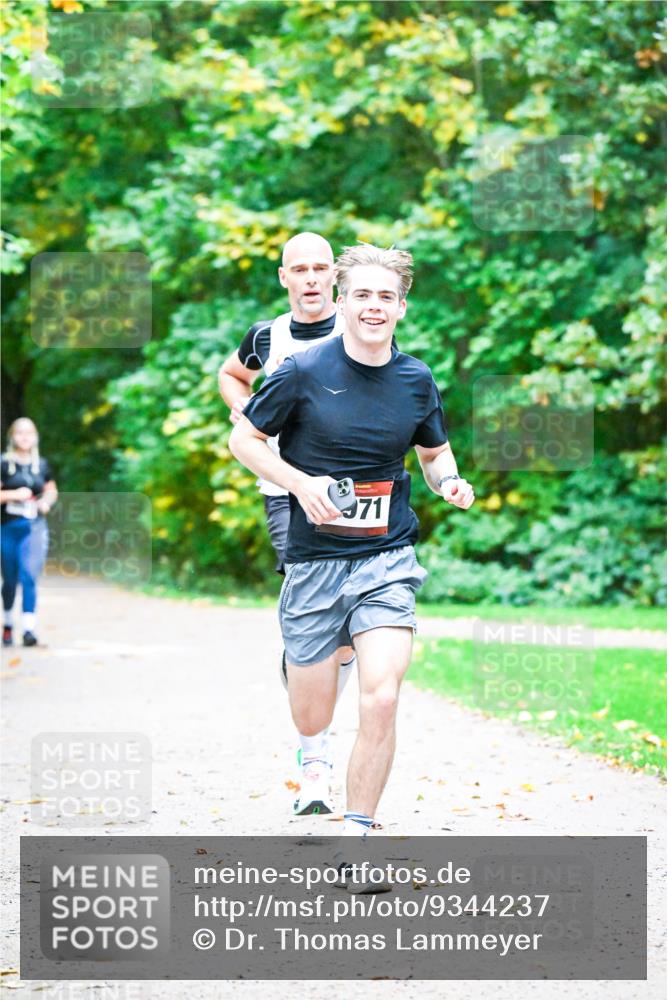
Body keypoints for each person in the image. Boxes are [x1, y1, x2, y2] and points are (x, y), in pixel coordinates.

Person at [229, 243, 475, 868]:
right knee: (312, 712)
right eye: (361, 294)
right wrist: (298, 483)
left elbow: (432, 454)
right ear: (342, 302)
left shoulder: (416, 379)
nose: (373, 306)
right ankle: (311, 709)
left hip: (386, 558)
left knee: (382, 696)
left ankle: (358, 839)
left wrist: (449, 481)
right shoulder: (301, 370)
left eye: (386, 296)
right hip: (314, 563)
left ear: (401, 307)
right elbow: (245, 439)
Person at [219, 231, 355, 815]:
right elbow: (232, 374)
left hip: (354, 495)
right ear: (284, 277)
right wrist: (243, 410)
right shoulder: (266, 336)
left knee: (344, 637)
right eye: (299, 268)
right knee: (314, 623)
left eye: (321, 267)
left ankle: (312, 693)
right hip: (285, 493)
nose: (311, 278)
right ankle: (315, 761)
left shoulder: (357, 327)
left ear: (334, 276)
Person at [1, 418, 58, 647]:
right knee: (10, 579)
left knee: (29, 574)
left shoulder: (42, 465)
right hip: (7, 528)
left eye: (29, 433)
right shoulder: (4, 463)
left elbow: (51, 490)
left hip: (34, 527)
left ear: (35, 437)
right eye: (20, 433)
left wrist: (46, 502)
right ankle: (7, 623)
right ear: (12, 437)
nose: (24, 437)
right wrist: (14, 495)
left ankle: (28, 629)